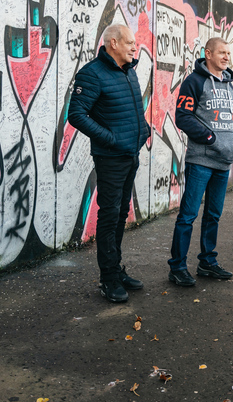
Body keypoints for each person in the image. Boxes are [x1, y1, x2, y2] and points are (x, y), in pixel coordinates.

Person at [68, 23, 151, 303]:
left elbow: (133, 110)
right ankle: (108, 279)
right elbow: (76, 114)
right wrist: (111, 138)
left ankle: (116, 269)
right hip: (111, 158)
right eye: (129, 42)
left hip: (130, 155)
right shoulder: (92, 74)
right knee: (108, 216)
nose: (134, 46)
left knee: (118, 216)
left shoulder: (128, 71)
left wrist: (145, 130)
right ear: (113, 43)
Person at [168, 38, 233, 287]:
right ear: (208, 53)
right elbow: (183, 117)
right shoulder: (194, 81)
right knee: (188, 215)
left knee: (213, 215)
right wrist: (210, 138)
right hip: (201, 160)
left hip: (223, 161)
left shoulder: (229, 85)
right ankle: (177, 267)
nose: (226, 57)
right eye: (222, 52)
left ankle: (207, 262)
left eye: (228, 53)